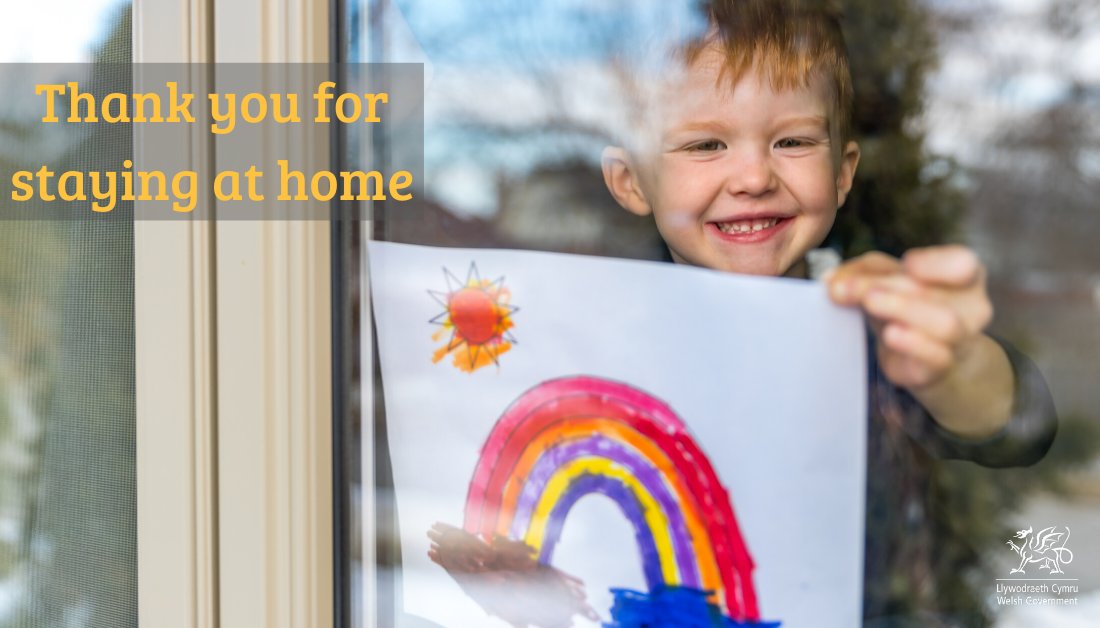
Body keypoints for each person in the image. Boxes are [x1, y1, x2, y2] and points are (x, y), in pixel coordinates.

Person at [599, 0, 1057, 621]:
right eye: (706, 144)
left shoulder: (871, 325)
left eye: (792, 140)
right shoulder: (601, 338)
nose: (754, 176)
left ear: (842, 175)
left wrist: (955, 366)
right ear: (632, 182)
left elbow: (1015, 427)